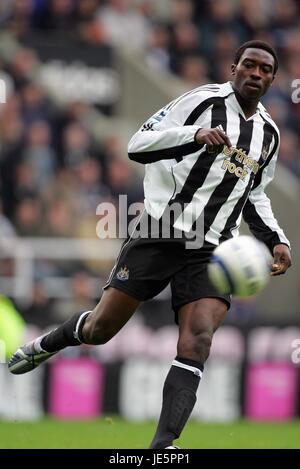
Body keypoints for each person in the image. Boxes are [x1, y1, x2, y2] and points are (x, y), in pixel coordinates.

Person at [8, 40, 292, 449]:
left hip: (215, 249)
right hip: (162, 231)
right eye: (249, 65)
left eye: (265, 70)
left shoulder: (269, 134)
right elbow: (137, 143)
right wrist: (193, 136)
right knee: (101, 328)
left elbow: (257, 193)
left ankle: (162, 448)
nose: (256, 74)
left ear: (272, 80)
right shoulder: (200, 102)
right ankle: (47, 344)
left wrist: (277, 240)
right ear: (233, 68)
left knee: (198, 339)